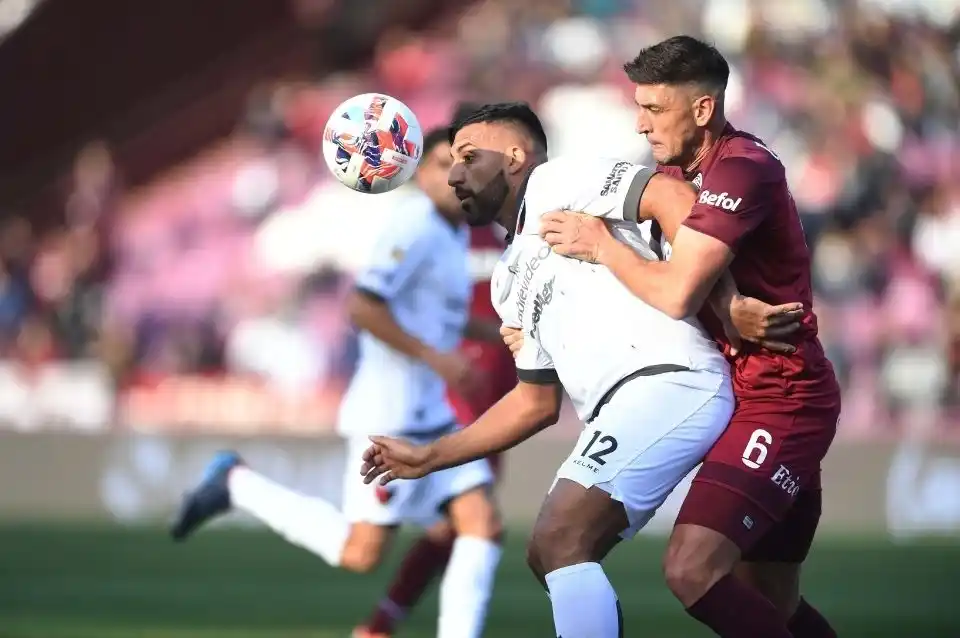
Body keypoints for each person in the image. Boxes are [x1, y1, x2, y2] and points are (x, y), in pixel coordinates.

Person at [359, 101, 783, 638]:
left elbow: (674, 197)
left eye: (467, 156)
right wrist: (431, 455)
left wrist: (726, 303)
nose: (454, 173)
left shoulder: (558, 180)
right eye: (450, 164)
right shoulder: (506, 280)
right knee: (549, 553)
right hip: (623, 405)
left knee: (562, 539)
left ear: (515, 155)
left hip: (669, 379)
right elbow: (535, 403)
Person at [518, 35, 841, 638]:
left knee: (692, 570)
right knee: (773, 603)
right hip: (742, 397)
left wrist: (602, 245)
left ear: (702, 108)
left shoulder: (743, 167)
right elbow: (688, 279)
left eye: (654, 108)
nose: (640, 124)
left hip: (780, 398)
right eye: (638, 107)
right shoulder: (672, 175)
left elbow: (674, 291)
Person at [170, 128, 503, 638]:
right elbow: (362, 307)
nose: (454, 176)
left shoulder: (450, 231)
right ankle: (236, 483)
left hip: (430, 411)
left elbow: (438, 315)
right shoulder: (412, 225)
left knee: (480, 523)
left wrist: (496, 332)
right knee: (360, 552)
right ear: (419, 173)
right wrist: (437, 359)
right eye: (441, 165)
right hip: (390, 415)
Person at [354, 109, 515, 638]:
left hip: (501, 390)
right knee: (474, 522)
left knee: (462, 525)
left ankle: (382, 623)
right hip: (450, 389)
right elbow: (382, 303)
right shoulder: (441, 224)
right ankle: (384, 621)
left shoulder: (506, 226)